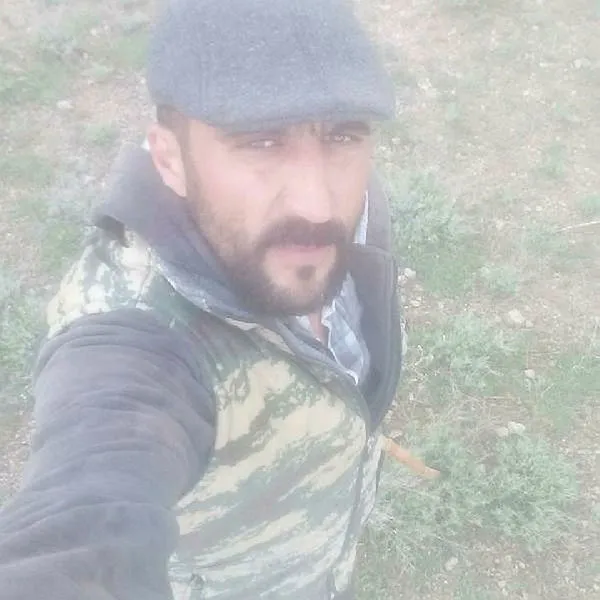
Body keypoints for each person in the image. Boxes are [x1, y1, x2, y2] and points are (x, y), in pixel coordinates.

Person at [0, 0, 404, 598]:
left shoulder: (349, 203)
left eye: (343, 135)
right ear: (170, 160)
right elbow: (84, 514)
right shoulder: (134, 341)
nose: (319, 205)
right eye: (261, 142)